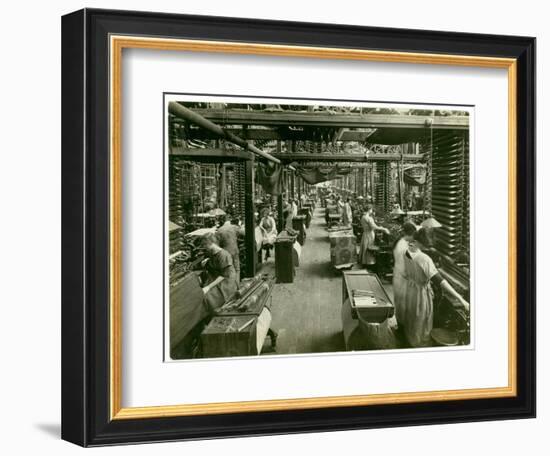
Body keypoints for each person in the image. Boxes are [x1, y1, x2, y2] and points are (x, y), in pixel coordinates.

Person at [402, 228, 470, 347]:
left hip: (411, 290)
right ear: (420, 242)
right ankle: (421, 346)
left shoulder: (406, 251)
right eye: (426, 246)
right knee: (422, 321)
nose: (427, 248)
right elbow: (441, 281)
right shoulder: (424, 259)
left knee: (413, 318)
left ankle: (410, 340)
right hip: (421, 294)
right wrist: (461, 299)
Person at [200, 232, 239, 313]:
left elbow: (223, 276)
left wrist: (208, 287)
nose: (204, 247)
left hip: (227, 281)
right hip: (217, 277)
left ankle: (212, 314)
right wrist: (207, 261)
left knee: (209, 297)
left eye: (204, 245)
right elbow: (214, 262)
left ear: (210, 243)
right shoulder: (212, 252)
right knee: (202, 293)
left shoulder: (224, 255)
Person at [392, 221, 417, 329]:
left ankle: (401, 326)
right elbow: (407, 264)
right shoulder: (403, 246)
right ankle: (403, 330)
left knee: (400, 304)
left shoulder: (401, 242)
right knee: (402, 305)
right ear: (410, 234)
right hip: (402, 277)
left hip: (398, 275)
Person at [358, 205, 389, 270]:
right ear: (369, 209)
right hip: (369, 234)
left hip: (365, 233)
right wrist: (383, 228)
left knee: (365, 247)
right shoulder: (368, 218)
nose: (372, 211)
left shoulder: (363, 217)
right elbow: (374, 227)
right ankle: (369, 264)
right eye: (371, 210)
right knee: (368, 248)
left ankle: (364, 262)